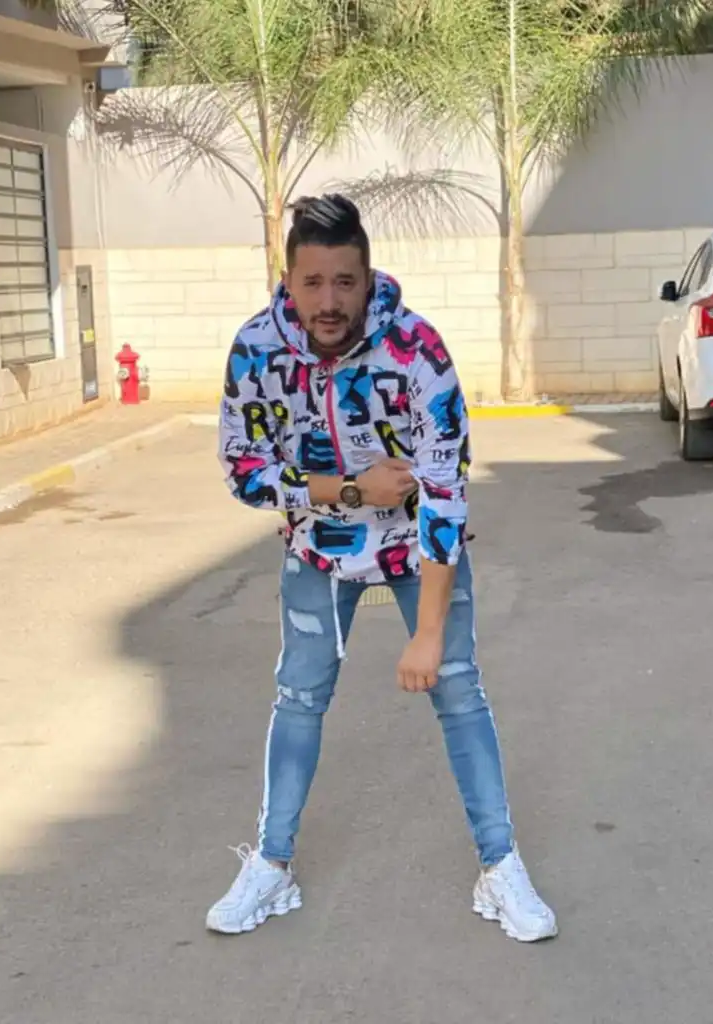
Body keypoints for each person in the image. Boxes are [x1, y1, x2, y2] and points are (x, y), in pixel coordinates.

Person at [208, 194, 557, 943]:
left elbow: (445, 493)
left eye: (345, 281)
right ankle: (271, 864)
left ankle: (500, 867)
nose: (329, 301)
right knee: (298, 697)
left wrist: (427, 634)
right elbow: (242, 470)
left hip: (413, 548)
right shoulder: (257, 350)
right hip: (317, 546)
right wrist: (347, 490)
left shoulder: (416, 351)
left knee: (459, 690)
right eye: (312, 282)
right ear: (288, 280)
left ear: (368, 279)